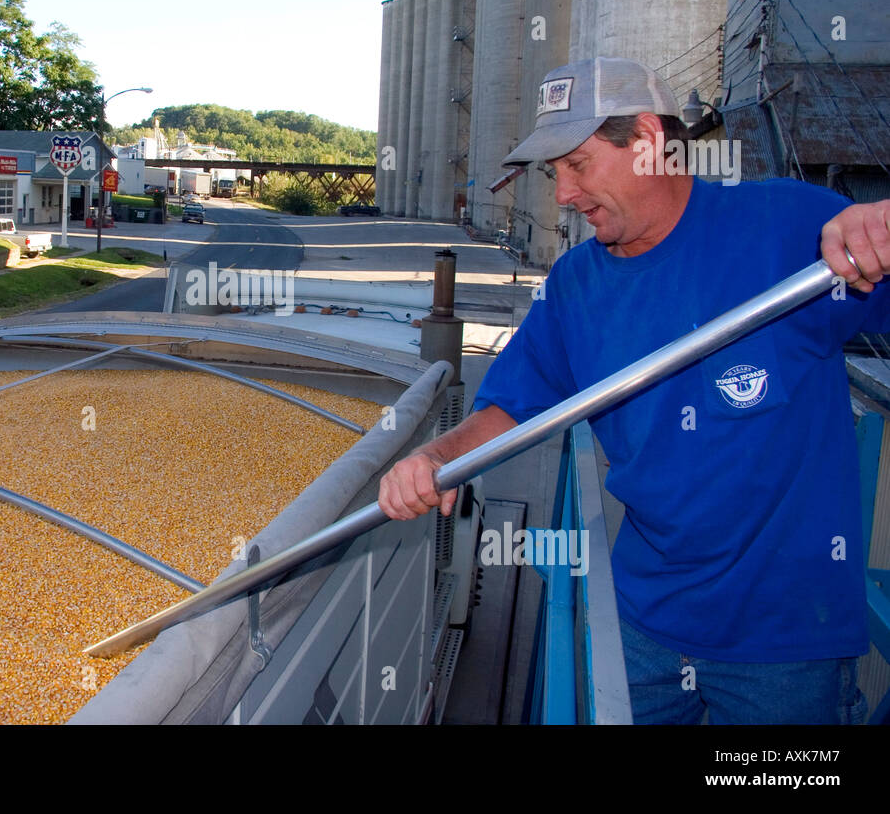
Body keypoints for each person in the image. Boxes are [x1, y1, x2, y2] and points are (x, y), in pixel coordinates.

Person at [378, 56, 890, 724]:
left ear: (647, 142)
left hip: (786, 638)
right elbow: (511, 404)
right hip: (644, 618)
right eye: (554, 172)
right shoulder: (575, 285)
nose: (562, 194)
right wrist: (440, 460)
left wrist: (879, 228)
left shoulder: (790, 230)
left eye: (578, 164)